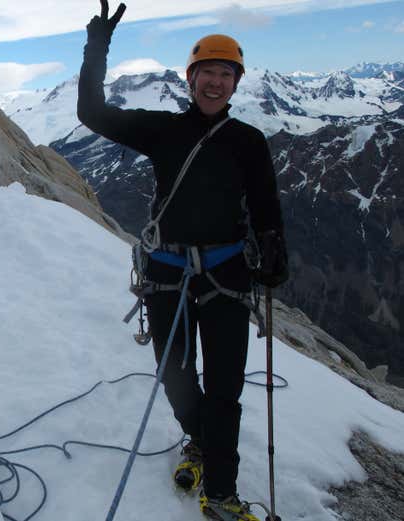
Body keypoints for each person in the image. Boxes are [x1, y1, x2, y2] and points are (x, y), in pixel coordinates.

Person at [77, 2, 289, 521]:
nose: (215, 83)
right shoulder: (163, 130)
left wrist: (273, 245)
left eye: (225, 74)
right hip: (168, 272)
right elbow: (92, 113)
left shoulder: (248, 142)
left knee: (224, 388)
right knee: (175, 379)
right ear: (190, 79)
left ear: (235, 84)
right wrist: (96, 50)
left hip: (225, 273)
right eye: (207, 73)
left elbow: (264, 206)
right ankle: (202, 442)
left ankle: (220, 493)